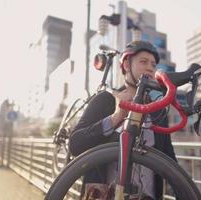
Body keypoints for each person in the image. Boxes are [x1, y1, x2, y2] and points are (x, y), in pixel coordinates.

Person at [69, 40, 176, 200]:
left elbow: (170, 161)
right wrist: (116, 117)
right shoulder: (105, 100)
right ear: (126, 65)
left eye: (153, 65)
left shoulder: (157, 112)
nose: (150, 68)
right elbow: (75, 144)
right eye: (143, 62)